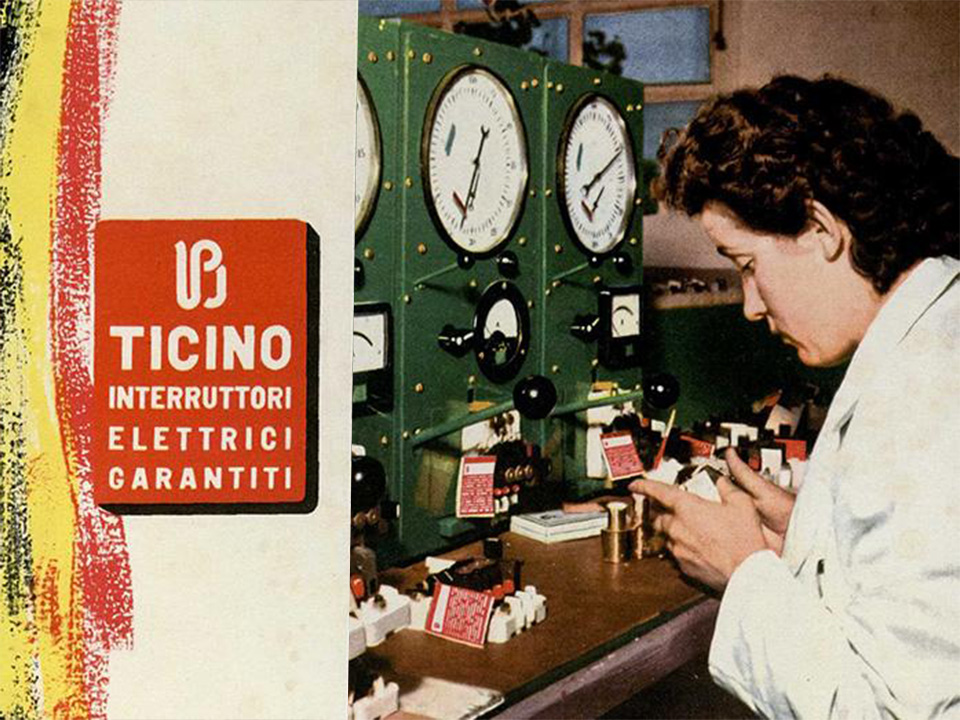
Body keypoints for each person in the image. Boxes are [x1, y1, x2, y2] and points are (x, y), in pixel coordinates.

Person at [630, 75, 959, 718]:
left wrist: (745, 573)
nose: (751, 305)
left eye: (748, 265)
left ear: (821, 230)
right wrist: (812, 537)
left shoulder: (924, 399)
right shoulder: (928, 339)